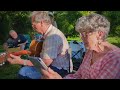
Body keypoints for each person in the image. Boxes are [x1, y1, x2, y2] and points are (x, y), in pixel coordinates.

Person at [41, 13, 120, 79]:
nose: (81, 38)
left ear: (100, 34)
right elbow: (78, 75)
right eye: (80, 34)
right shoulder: (90, 51)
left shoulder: (115, 58)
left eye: (85, 34)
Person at [7, 11, 73, 79]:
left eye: (34, 24)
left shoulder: (52, 37)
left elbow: (45, 63)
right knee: (26, 66)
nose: (32, 27)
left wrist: (21, 61)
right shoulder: (50, 32)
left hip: (58, 69)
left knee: (23, 71)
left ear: (41, 23)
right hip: (56, 66)